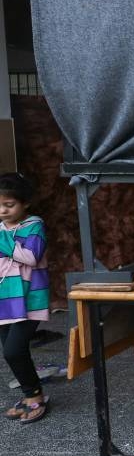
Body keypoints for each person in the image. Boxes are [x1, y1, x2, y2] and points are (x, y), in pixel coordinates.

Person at [0, 173, 50, 424]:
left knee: (13, 351)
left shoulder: (34, 225)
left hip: (30, 300)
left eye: (9, 205)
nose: (3, 211)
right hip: (5, 300)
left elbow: (30, 256)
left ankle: (35, 396)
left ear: (25, 203)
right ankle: (29, 393)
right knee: (11, 351)